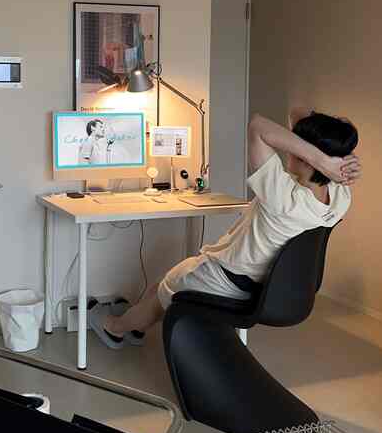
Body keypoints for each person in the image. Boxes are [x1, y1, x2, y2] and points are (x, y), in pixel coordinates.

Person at [88, 109, 361, 349]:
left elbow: (258, 126)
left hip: (227, 280)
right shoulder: (339, 197)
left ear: (309, 158)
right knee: (166, 281)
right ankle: (134, 324)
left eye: (298, 150)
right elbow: (297, 112)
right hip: (260, 285)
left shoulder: (284, 197)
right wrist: (327, 161)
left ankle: (115, 328)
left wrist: (321, 159)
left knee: (164, 288)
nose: (292, 149)